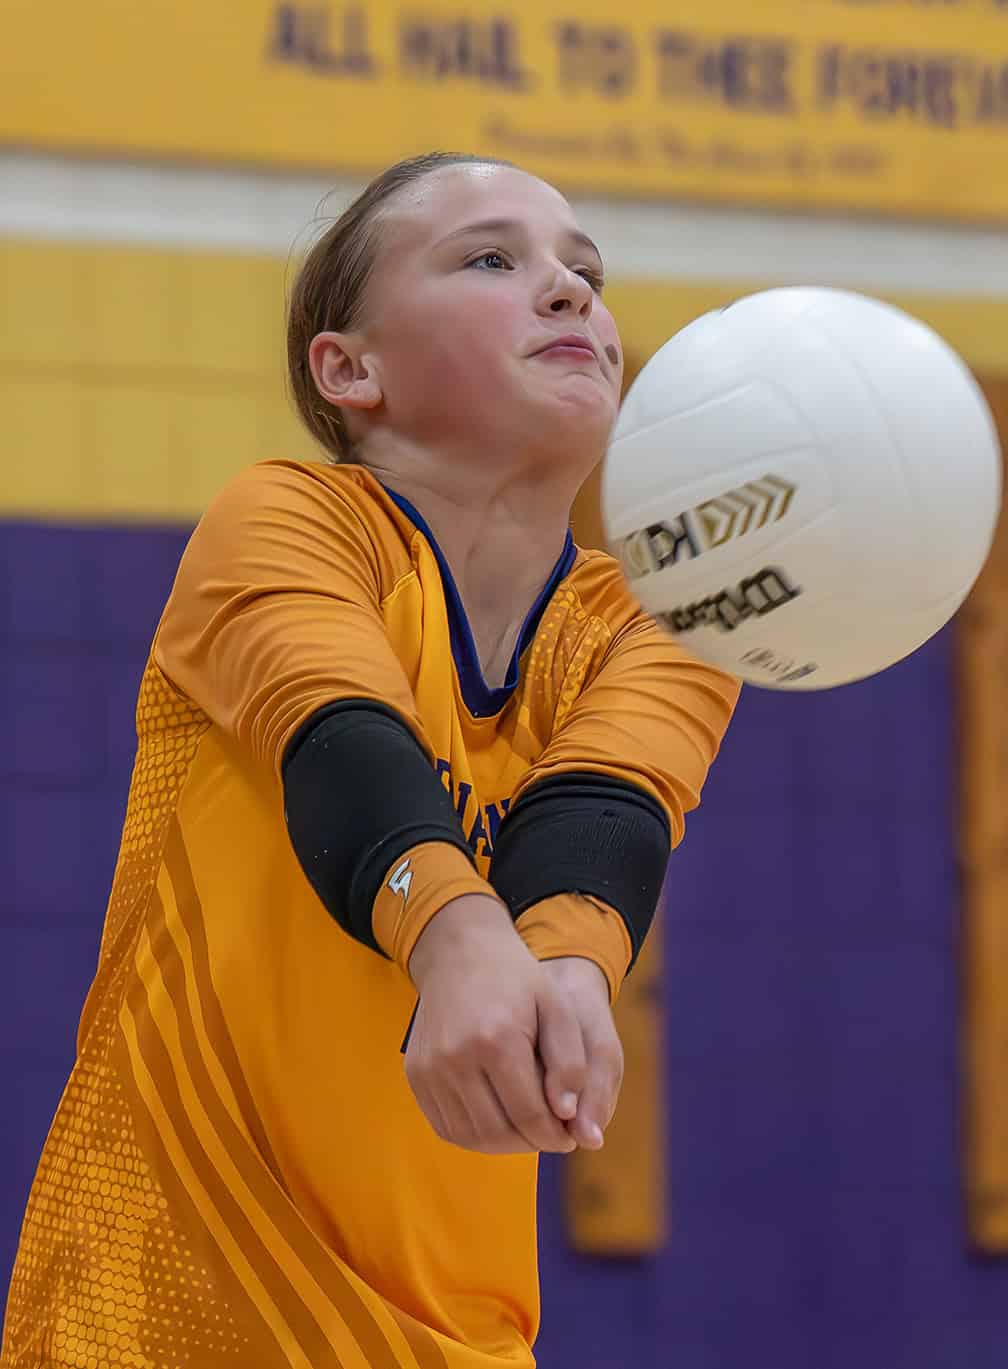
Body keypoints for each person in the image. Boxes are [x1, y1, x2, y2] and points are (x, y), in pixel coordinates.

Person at [0, 152, 738, 1368]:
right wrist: (455, 938)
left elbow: (606, 809)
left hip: (458, 1330)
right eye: (493, 259)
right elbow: (343, 742)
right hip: (162, 1310)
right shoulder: (286, 517)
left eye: (584, 271)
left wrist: (570, 976)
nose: (568, 292)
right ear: (350, 370)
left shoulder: (655, 618)